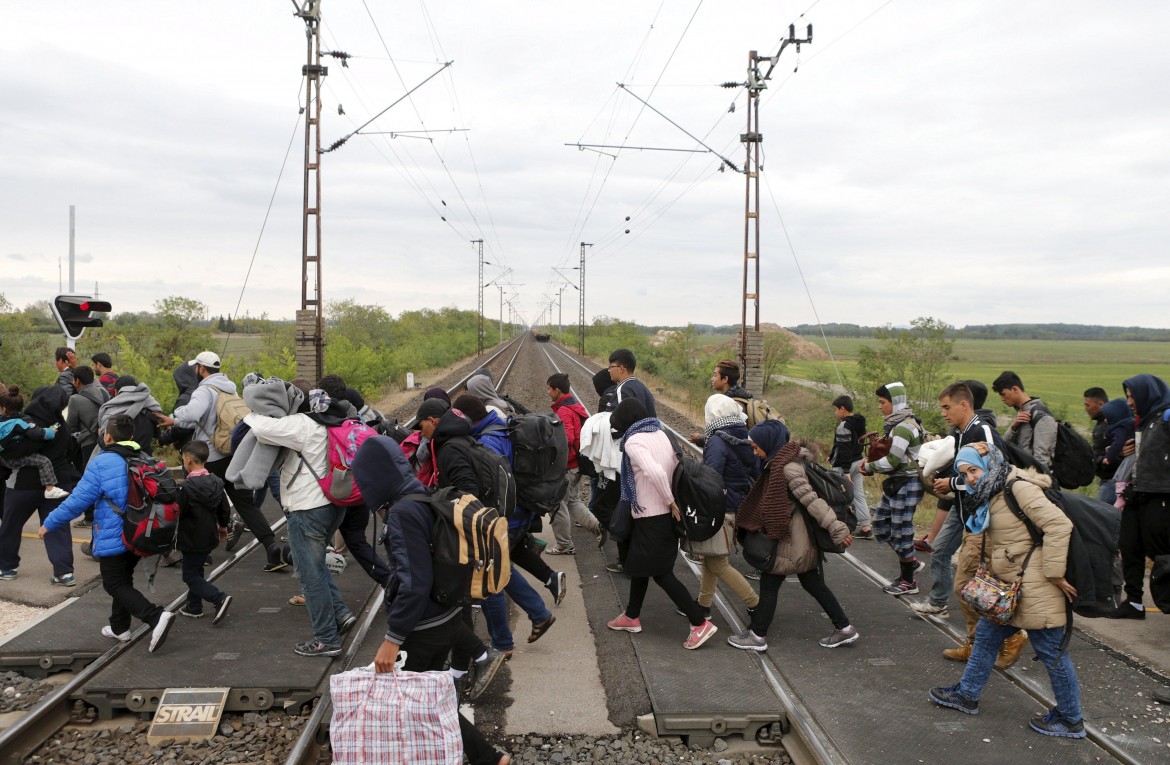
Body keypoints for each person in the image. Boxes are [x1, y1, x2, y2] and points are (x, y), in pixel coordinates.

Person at [354, 436, 512, 765]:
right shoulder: (423, 495)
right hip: (446, 616)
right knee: (428, 699)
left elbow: (414, 582)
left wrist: (392, 639)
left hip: (423, 626)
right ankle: (487, 757)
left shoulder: (402, 513)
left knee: (413, 701)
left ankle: (482, 757)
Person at [929, 442, 1086, 739]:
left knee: (1052, 652)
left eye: (973, 469)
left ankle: (1070, 718)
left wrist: (1054, 573)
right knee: (987, 637)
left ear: (988, 465)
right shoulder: (992, 490)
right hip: (1010, 588)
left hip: (1036, 586)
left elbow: (1058, 525)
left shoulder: (1017, 488)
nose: (971, 477)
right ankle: (967, 695)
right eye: (965, 473)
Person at [38, 414, 176, 652]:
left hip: (116, 534)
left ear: (107, 436)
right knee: (123, 579)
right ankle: (119, 627)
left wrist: (49, 523)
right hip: (141, 531)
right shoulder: (144, 457)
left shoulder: (102, 463)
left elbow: (78, 501)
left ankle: (155, 616)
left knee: (114, 584)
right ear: (130, 436)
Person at [912, 383, 1026, 669]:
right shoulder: (960, 433)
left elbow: (997, 475)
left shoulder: (982, 431)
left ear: (965, 405)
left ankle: (1008, 636)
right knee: (973, 582)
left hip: (984, 520)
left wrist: (952, 483)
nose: (944, 413)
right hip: (966, 513)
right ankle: (979, 643)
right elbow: (966, 469)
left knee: (966, 586)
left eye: (947, 407)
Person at [243, 389, 357, 655]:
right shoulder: (337, 421)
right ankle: (340, 614)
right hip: (333, 503)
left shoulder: (304, 423)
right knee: (315, 566)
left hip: (308, 508)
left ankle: (326, 639)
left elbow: (262, 428)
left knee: (310, 576)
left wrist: (252, 409)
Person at [731, 424, 858, 650]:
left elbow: (812, 501)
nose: (754, 452)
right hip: (801, 541)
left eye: (755, 447)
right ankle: (844, 628)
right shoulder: (782, 462)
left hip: (792, 541)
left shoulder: (787, 468)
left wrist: (837, 529)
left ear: (768, 443)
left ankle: (758, 635)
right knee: (814, 584)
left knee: (770, 583)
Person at [605, 398, 717, 649]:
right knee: (639, 565)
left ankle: (699, 623)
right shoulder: (659, 432)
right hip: (659, 516)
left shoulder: (633, 441)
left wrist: (669, 501)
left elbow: (654, 472)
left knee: (661, 573)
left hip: (654, 515)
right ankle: (631, 616)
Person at [157, 352, 285, 572]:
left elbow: (192, 414)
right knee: (246, 505)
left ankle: (204, 554)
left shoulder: (204, 390)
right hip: (233, 454)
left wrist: (175, 416)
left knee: (201, 504)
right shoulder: (230, 387)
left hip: (211, 457)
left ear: (200, 368)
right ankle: (271, 547)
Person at [454, 393, 558, 650]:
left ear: (467, 418)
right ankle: (538, 615)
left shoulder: (488, 440)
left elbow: (495, 486)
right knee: (500, 570)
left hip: (507, 516)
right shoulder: (501, 426)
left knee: (488, 578)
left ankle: (502, 643)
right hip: (520, 511)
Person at [0, 386, 79, 585]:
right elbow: (70, 450)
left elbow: (11, 451)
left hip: (23, 484)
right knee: (58, 526)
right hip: (58, 482)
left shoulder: (24, 422)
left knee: (11, 525)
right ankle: (64, 573)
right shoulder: (62, 426)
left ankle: (7, 567)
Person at [1107, 374, 1170, 621]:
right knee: (1129, 545)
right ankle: (1133, 601)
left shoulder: (1166, 417)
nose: (1130, 402)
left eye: (1132, 396)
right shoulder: (1144, 421)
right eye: (1128, 397)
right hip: (1139, 492)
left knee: (1160, 552)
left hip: (1161, 495)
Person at [693, 394, 761, 619]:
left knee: (719, 563)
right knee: (710, 557)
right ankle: (703, 605)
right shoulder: (745, 436)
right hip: (736, 503)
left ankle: (755, 604)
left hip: (720, 507)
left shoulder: (717, 440)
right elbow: (753, 471)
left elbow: (711, 477)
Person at [860, 382, 926, 597]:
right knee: (880, 523)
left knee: (901, 530)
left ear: (895, 403)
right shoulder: (897, 424)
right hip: (897, 484)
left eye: (883, 402)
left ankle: (908, 581)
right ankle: (911, 561)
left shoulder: (904, 427)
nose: (880, 407)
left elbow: (891, 461)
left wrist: (868, 466)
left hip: (907, 483)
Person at [175, 440, 233, 623]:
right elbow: (224, 508)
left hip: (190, 537)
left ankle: (218, 597)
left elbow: (178, 512)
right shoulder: (217, 482)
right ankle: (194, 606)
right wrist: (223, 527)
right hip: (209, 535)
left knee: (190, 576)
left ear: (188, 459)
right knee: (197, 570)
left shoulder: (186, 487)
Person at [546, 373, 603, 554]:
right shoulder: (575, 406)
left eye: (549, 389)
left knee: (557, 504)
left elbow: (567, 438)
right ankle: (599, 528)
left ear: (557, 390)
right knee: (572, 500)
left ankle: (564, 545)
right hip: (578, 463)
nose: (548, 392)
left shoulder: (563, 410)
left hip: (567, 465)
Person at [0, 386, 71, 501]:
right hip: (52, 477)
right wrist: (51, 430)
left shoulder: (11, 419)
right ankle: (50, 488)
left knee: (10, 517)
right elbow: (39, 434)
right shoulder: (25, 421)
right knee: (44, 462)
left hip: (15, 474)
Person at [66, 366, 109, 527]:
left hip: (88, 444)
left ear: (77, 381)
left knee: (89, 479)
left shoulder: (75, 399)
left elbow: (71, 426)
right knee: (104, 478)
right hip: (105, 440)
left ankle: (90, 517)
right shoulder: (104, 392)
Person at [993, 371, 1057, 469]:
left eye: (1003, 394)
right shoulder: (1022, 411)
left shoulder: (1041, 416)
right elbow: (1004, 444)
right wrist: (1013, 427)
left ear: (1015, 389)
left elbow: (1042, 457)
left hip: (1035, 478)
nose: (1002, 399)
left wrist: (1033, 480)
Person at [828, 394, 871, 538]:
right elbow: (849, 445)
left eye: (835, 409)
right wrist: (833, 454)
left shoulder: (843, 426)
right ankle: (866, 527)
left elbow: (845, 449)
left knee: (836, 495)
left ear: (842, 409)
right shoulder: (859, 422)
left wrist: (845, 471)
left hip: (844, 467)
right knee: (859, 495)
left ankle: (838, 525)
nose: (835, 413)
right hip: (858, 462)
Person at [97, 376, 162, 455]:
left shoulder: (111, 411)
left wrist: (100, 436)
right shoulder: (152, 408)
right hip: (144, 461)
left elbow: (106, 444)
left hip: (120, 459)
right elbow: (157, 435)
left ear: (117, 392)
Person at [606, 349, 656, 416]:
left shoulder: (622, 390)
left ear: (621, 369)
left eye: (611, 367)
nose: (609, 370)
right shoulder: (643, 387)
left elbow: (614, 421)